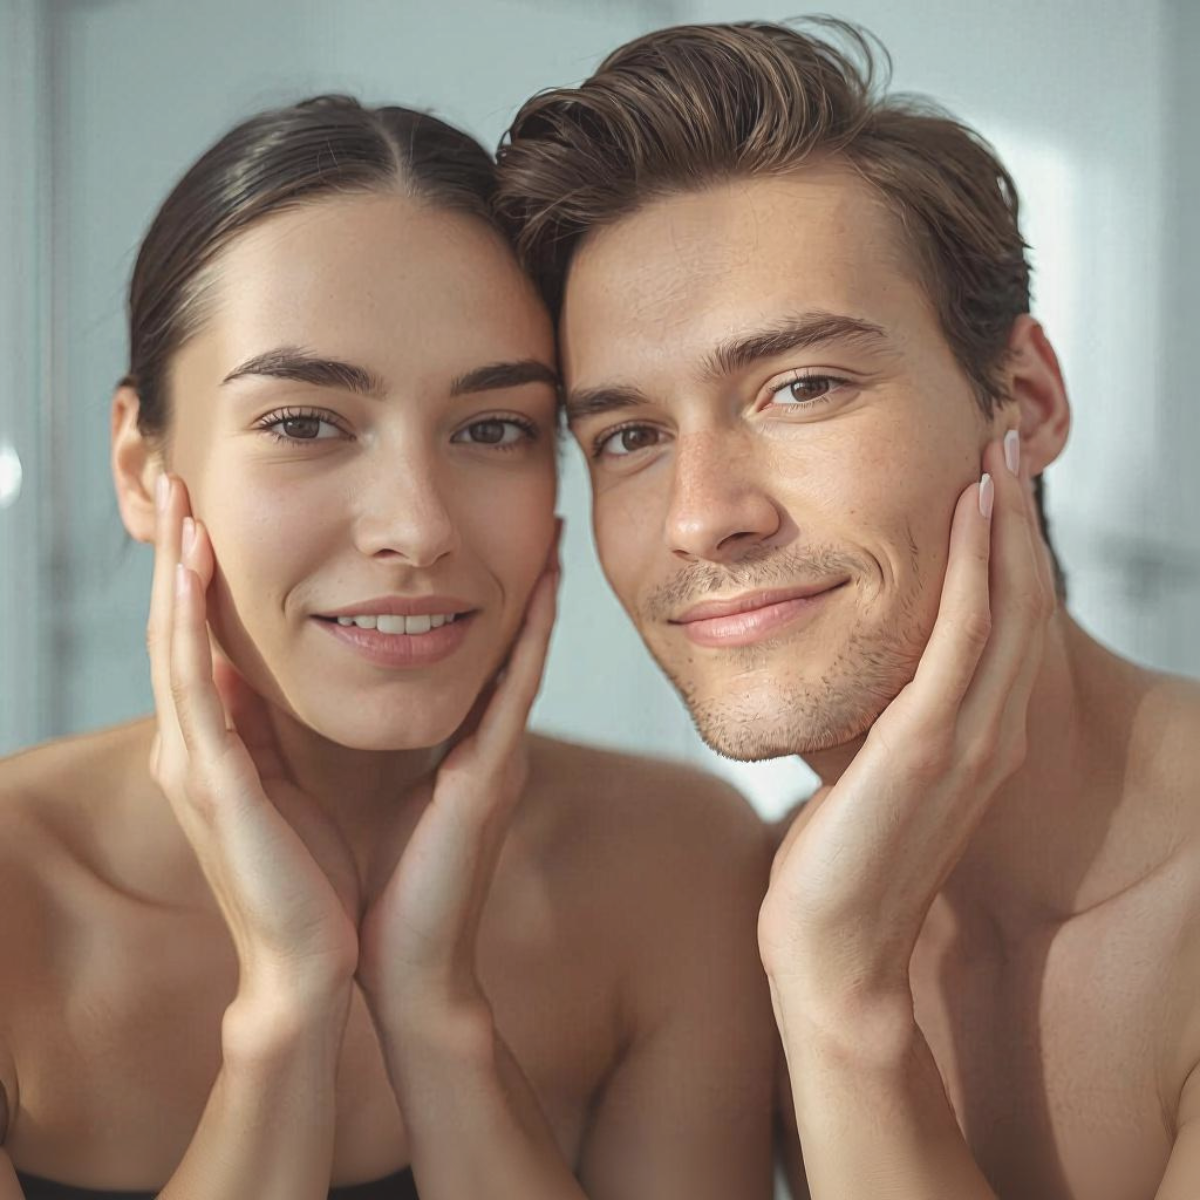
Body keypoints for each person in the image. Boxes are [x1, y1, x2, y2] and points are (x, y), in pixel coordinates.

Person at [0, 96, 776, 1200]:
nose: (416, 524)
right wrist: (288, 1009)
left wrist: (433, 1013)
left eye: (494, 428)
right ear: (139, 466)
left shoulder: (681, 868)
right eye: (306, 422)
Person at [495, 19, 1200, 1199]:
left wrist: (842, 1005)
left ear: (1021, 401)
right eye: (630, 436)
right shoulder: (756, 915)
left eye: (802, 386)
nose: (701, 516)